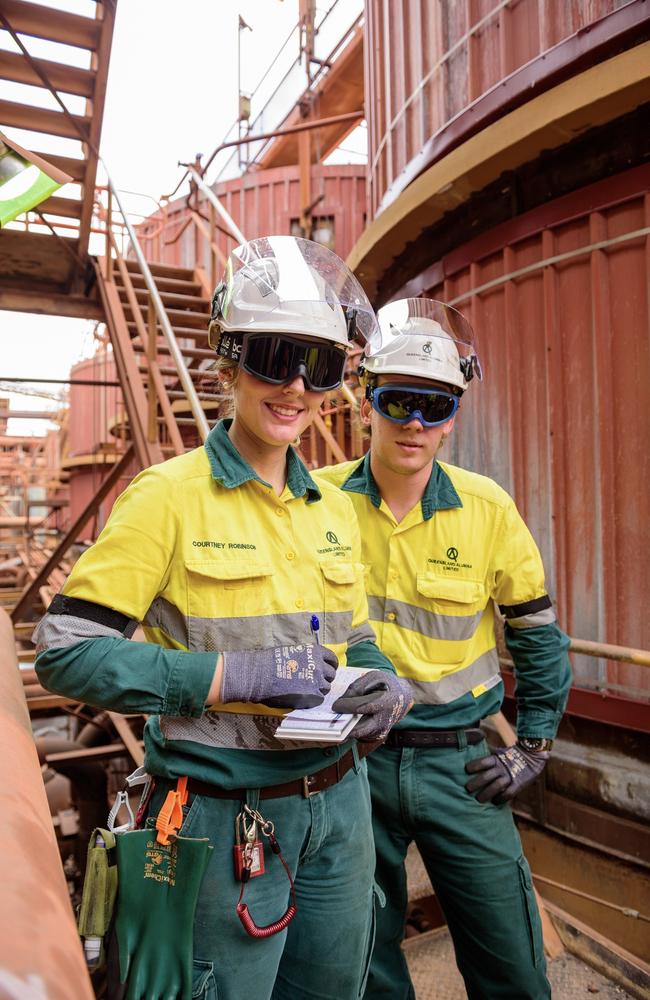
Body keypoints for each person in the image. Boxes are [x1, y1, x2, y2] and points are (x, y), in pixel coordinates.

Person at [34, 236, 411, 1000]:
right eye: (276, 356)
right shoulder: (168, 497)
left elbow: (355, 634)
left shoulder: (335, 507)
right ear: (228, 360)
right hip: (222, 813)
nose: (298, 389)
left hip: (341, 809)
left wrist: (382, 678)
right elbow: (65, 651)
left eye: (323, 366)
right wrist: (233, 676)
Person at [317, 297, 572, 1000]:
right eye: (400, 402)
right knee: (363, 963)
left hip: (463, 767)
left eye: (437, 406)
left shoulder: (488, 510)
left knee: (513, 965)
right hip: (352, 762)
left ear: (456, 410)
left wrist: (534, 748)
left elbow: (540, 642)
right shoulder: (316, 502)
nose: (417, 425)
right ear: (367, 398)